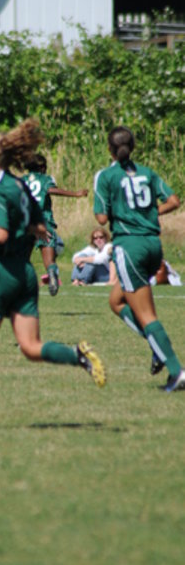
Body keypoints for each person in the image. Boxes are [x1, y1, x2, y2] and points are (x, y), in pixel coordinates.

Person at [0, 118, 106, 429]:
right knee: (30, 346)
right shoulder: (21, 186)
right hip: (25, 274)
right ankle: (77, 355)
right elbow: (40, 228)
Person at [93, 125, 184, 391]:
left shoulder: (106, 175)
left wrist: (120, 210)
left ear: (109, 149)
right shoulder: (147, 172)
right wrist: (149, 212)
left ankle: (176, 370)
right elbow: (174, 201)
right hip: (153, 245)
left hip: (129, 247)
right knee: (116, 301)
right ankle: (157, 347)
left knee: (146, 315)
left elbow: (101, 217)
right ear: (132, 147)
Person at [22, 154, 88, 296]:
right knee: (49, 261)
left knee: (23, 259)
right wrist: (75, 194)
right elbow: (51, 190)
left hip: (26, 223)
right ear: (42, 167)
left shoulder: (22, 180)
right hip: (43, 222)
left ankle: (22, 285)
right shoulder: (46, 179)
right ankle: (52, 274)